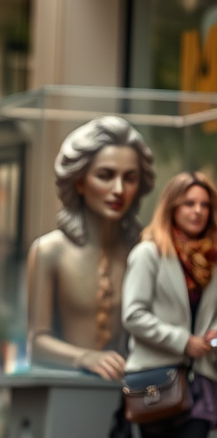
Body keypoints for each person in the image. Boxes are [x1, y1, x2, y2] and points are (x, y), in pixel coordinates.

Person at [123, 172, 217, 438]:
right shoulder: (149, 253)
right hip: (157, 377)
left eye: (204, 204)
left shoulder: (215, 255)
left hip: (202, 375)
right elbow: (133, 314)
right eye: (189, 203)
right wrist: (184, 341)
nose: (197, 211)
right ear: (173, 206)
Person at [27, 117, 155, 379]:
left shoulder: (145, 251)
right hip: (68, 389)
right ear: (79, 181)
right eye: (105, 176)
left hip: (134, 394)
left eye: (129, 178)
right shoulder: (49, 251)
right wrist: (83, 357)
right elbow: (37, 342)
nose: (118, 190)